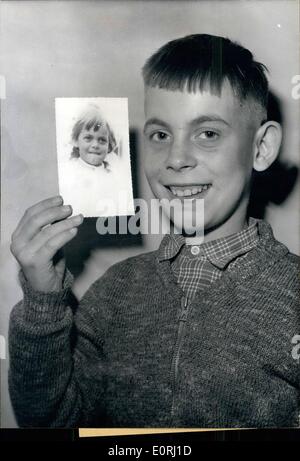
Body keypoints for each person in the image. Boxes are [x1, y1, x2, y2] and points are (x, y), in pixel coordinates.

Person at [9, 34, 299, 428]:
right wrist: (43, 298)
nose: (176, 159)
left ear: (261, 148)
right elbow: (51, 421)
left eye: (208, 133)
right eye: (160, 135)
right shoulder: (115, 292)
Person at [58, 105, 129, 217]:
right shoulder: (69, 172)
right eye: (88, 138)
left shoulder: (113, 175)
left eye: (102, 140)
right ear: (76, 140)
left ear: (109, 145)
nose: (95, 145)